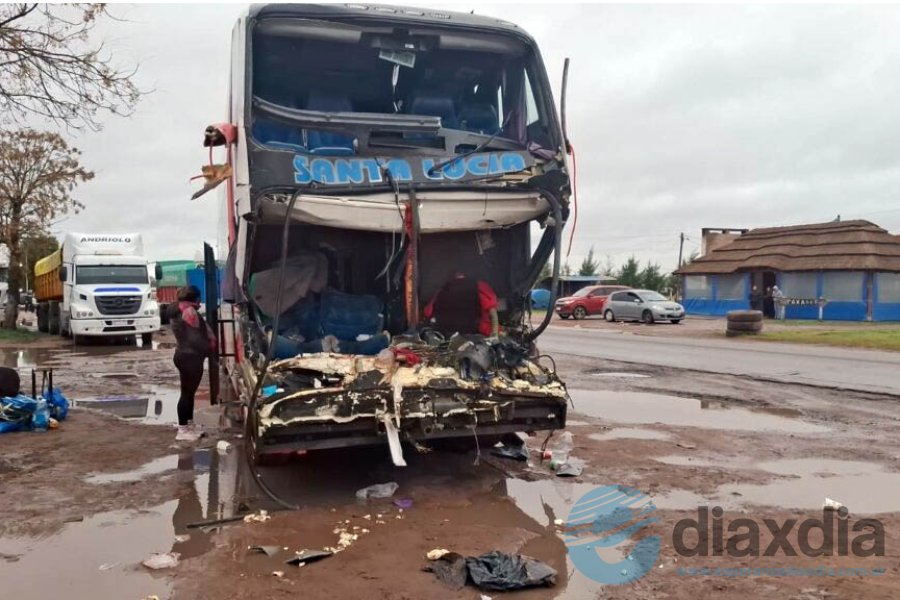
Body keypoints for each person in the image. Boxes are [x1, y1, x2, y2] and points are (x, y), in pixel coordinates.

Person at [167, 286, 216, 442]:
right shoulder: (189, 312)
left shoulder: (179, 309)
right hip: (191, 357)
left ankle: (188, 424)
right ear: (196, 298)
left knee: (189, 392)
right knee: (187, 393)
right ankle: (183, 430)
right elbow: (195, 338)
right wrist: (208, 350)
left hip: (183, 354)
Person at [423, 273, 499, 338]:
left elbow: (427, 312)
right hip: (476, 333)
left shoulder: (443, 289)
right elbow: (492, 313)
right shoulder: (480, 286)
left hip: (447, 334)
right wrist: (494, 335)